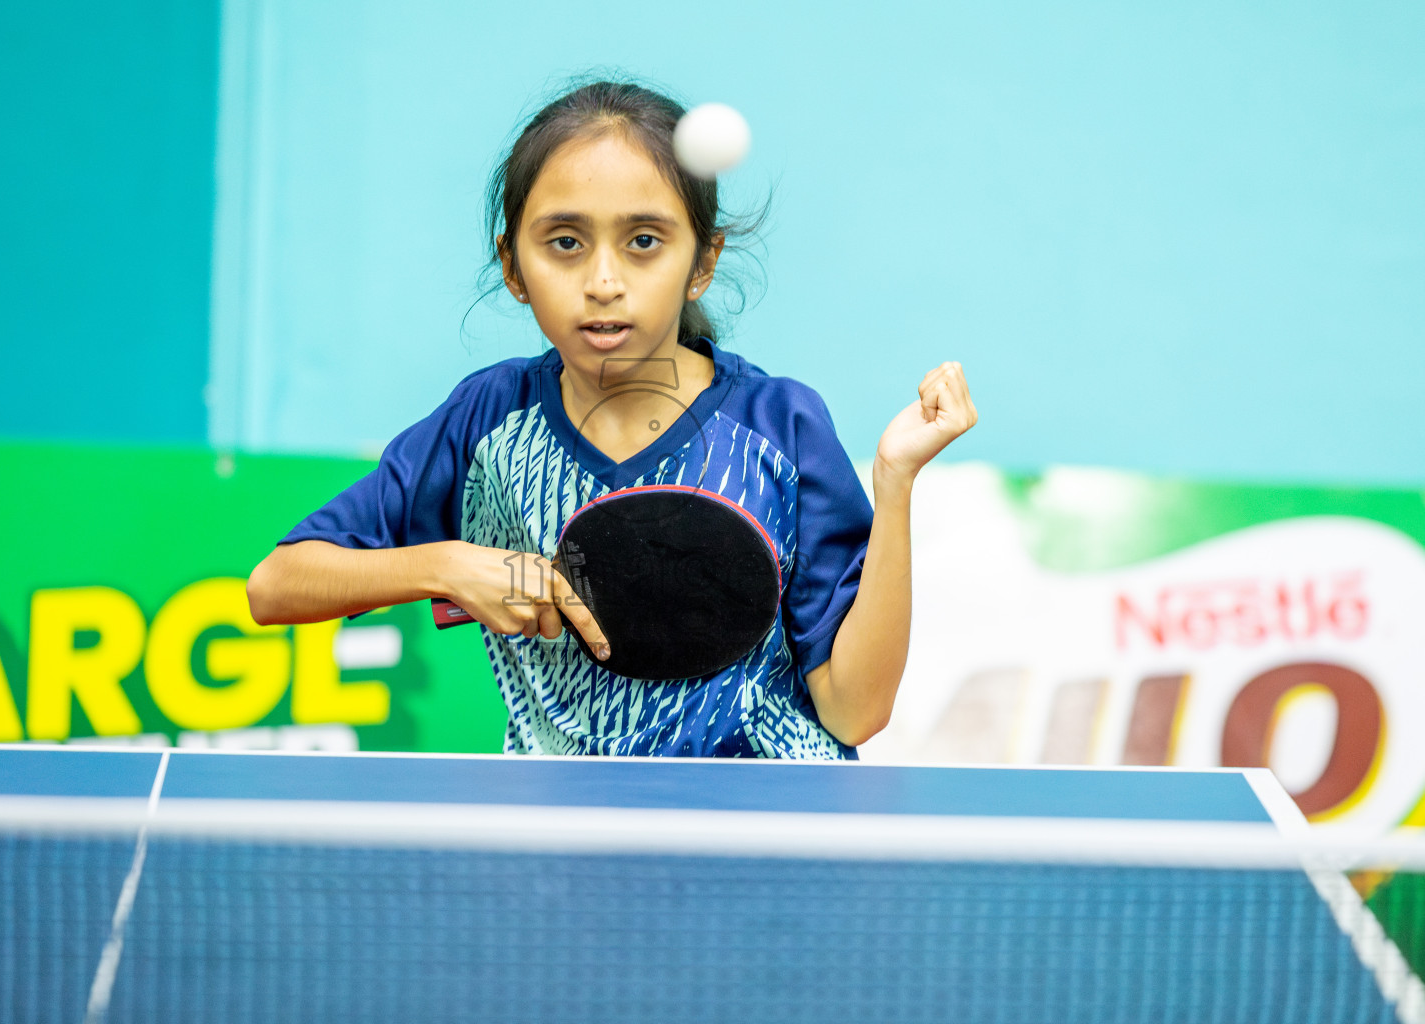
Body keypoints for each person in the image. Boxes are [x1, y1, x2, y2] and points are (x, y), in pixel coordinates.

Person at [246, 80, 976, 759]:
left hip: (765, 837)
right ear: (513, 266)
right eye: (565, 242)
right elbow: (274, 585)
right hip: (563, 843)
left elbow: (855, 712)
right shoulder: (488, 423)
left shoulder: (777, 427)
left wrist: (896, 480)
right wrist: (448, 565)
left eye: (644, 242)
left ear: (703, 262)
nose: (603, 282)